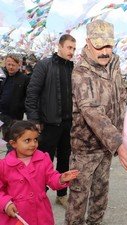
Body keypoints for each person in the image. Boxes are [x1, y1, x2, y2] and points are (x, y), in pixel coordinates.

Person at [65, 19, 127, 225]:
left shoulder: (114, 64)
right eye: (100, 46)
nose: (105, 52)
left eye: (109, 45)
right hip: (85, 149)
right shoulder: (81, 73)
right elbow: (92, 111)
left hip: (106, 147)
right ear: (88, 43)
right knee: (78, 200)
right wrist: (119, 143)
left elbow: (121, 97)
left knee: (100, 196)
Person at [25, 34, 76, 208]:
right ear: (60, 46)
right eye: (69, 47)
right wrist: (34, 120)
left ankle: (62, 194)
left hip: (68, 124)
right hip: (48, 124)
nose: (72, 52)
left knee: (64, 160)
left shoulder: (73, 68)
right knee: (43, 162)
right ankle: (38, 195)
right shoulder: (45, 65)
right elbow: (32, 93)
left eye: (74, 49)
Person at [0, 120, 79, 225]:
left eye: (35, 139)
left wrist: (61, 178)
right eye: (27, 140)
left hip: (41, 213)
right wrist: (6, 203)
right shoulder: (4, 165)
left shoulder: (43, 158)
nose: (33, 144)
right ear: (13, 143)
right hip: (17, 214)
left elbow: (51, 177)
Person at [0, 54, 29, 145]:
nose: (10, 67)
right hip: (2, 114)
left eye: (13, 65)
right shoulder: (3, 78)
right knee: (5, 138)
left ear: (18, 65)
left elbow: (28, 96)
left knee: (13, 141)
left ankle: (11, 157)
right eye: (8, 64)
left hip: (15, 117)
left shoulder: (24, 79)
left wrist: (21, 107)